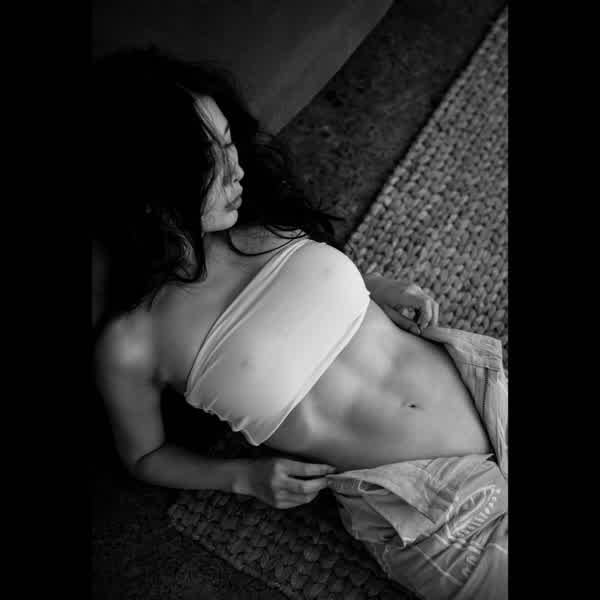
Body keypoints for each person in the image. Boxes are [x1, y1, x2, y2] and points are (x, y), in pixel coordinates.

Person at [92, 47, 508, 599]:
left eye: (230, 142)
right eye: (212, 158)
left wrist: (369, 289)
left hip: (487, 390)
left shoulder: (257, 220)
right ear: (149, 189)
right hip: (431, 518)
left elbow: (306, 306)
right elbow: (144, 457)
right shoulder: (131, 341)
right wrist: (243, 478)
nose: (237, 167)